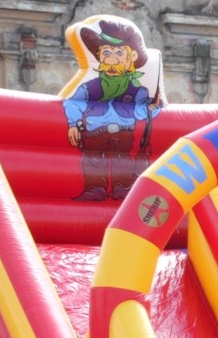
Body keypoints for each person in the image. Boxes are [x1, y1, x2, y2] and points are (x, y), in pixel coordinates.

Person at [62, 17, 161, 201]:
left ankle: (121, 189)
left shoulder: (137, 90)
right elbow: (72, 103)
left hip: (123, 132)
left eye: (119, 53)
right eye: (106, 53)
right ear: (99, 57)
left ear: (132, 57)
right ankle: (95, 189)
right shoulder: (91, 86)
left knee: (122, 162)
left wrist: (153, 107)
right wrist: (74, 124)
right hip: (94, 131)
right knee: (92, 162)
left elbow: (143, 112)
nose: (112, 60)